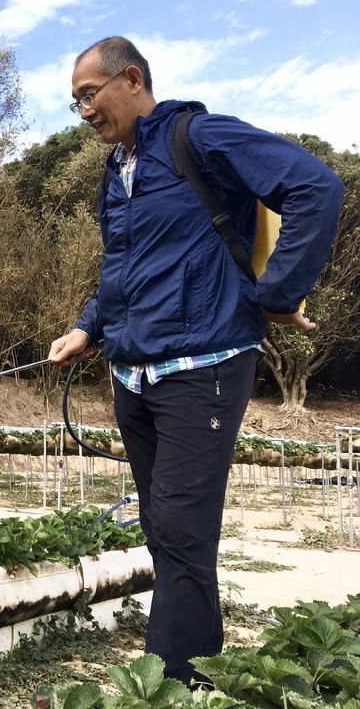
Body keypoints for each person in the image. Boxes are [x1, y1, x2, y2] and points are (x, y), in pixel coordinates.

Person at [48, 36, 343, 685]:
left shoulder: (199, 137)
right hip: (133, 375)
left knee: (181, 535)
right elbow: (122, 270)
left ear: (130, 79)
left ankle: (165, 689)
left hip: (203, 369)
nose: (84, 111)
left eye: (89, 95)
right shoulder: (115, 173)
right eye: (75, 104)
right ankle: (198, 678)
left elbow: (315, 187)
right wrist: (86, 327)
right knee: (169, 536)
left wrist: (278, 293)